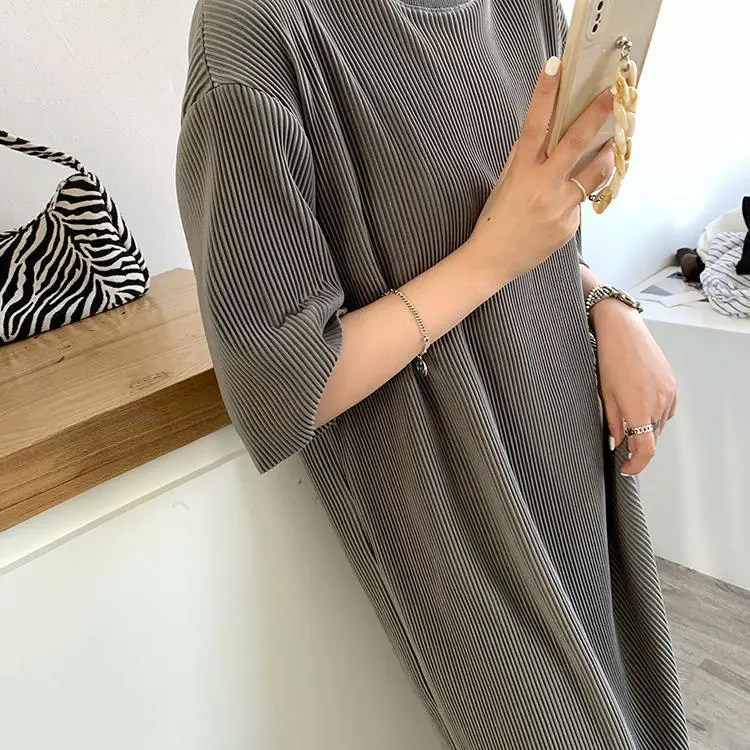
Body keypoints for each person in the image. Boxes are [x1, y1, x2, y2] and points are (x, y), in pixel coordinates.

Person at [176, 1, 691, 748]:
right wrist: (491, 258)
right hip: (460, 517)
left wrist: (609, 306)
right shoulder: (256, 32)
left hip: (575, 451)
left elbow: (535, 219)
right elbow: (280, 382)